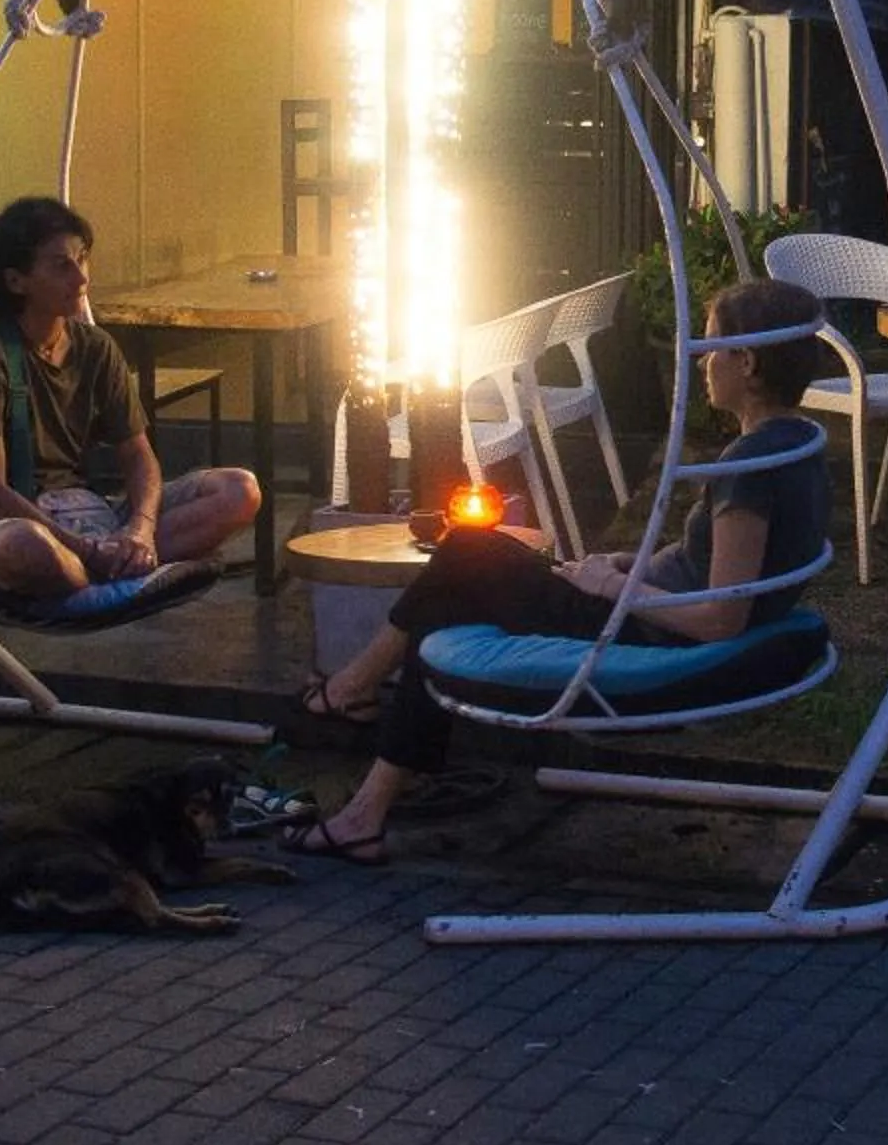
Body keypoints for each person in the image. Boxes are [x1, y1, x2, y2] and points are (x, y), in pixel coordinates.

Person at [276, 275, 830, 864]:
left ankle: (351, 698)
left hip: (636, 629)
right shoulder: (797, 441)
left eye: (711, 345)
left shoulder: (747, 466)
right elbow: (714, 569)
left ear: (745, 363)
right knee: (454, 591)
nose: (699, 361)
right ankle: (364, 786)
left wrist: (615, 586)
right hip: (639, 605)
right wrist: (625, 560)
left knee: (465, 554)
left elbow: (722, 617)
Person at [0, 196, 262, 596]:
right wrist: (86, 547)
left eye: (82, 259)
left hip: (87, 514)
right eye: (61, 266)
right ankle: (100, 571)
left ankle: (106, 567)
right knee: (27, 547)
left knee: (241, 491)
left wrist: (140, 530)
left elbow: (138, 455)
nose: (81, 279)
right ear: (17, 281)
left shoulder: (95, 348)